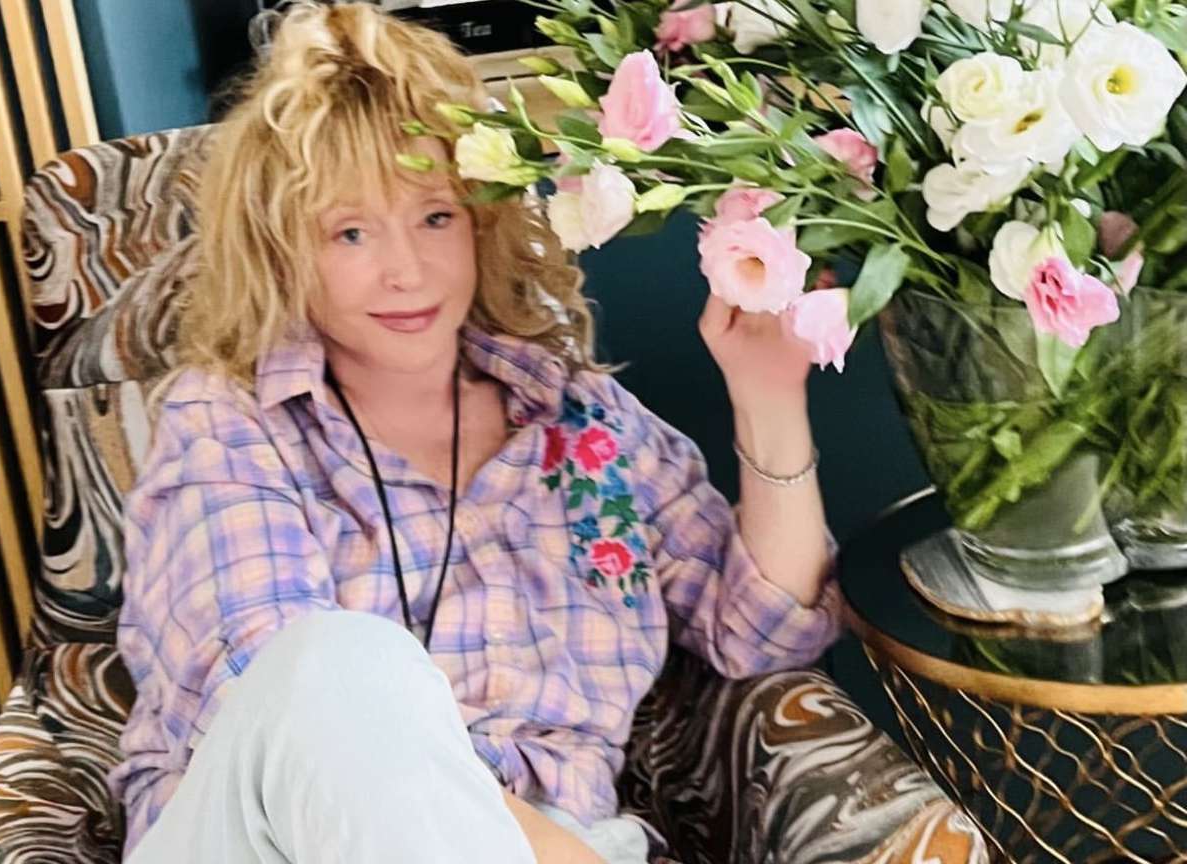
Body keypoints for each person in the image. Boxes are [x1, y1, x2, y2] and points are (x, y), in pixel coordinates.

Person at [112, 3, 842, 862]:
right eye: (350, 232)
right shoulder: (230, 424)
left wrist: (768, 395)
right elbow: (281, 712)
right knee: (340, 665)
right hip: (265, 841)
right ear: (281, 252)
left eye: (435, 217)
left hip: (560, 840)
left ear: (480, 221)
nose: (406, 270)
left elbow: (763, 633)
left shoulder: (578, 422)